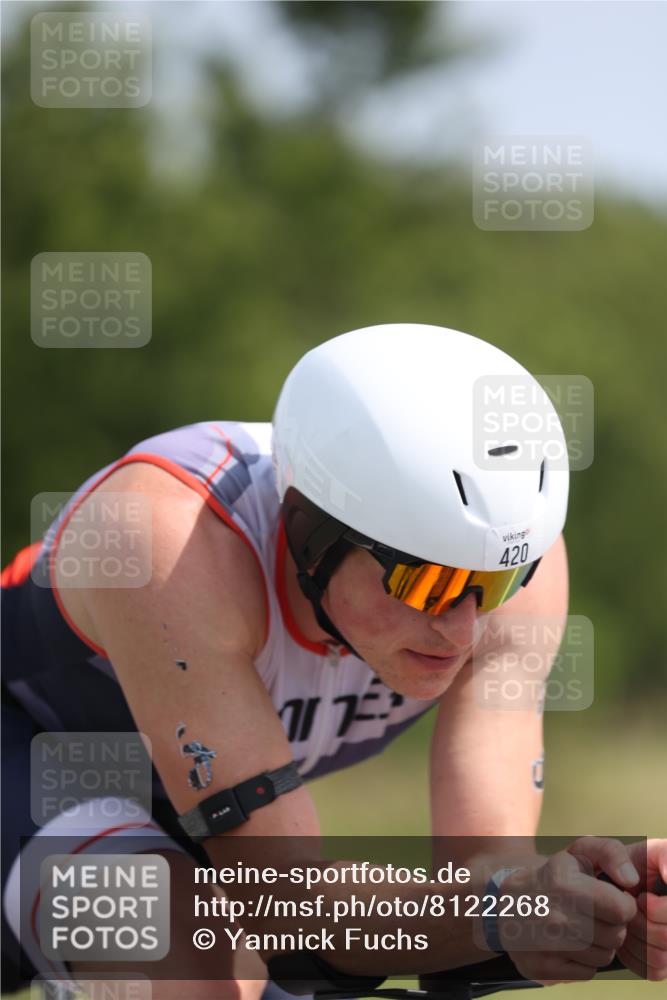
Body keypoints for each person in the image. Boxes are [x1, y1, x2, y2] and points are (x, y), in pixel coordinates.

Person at [2, 323, 666, 998]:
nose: (464, 630)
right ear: (311, 536)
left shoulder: (524, 567)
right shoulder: (169, 540)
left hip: (196, 811)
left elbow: (484, 874)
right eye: (427, 584)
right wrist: (502, 913)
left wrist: (585, 909)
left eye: (492, 585)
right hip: (35, 763)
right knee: (187, 968)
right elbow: (285, 901)